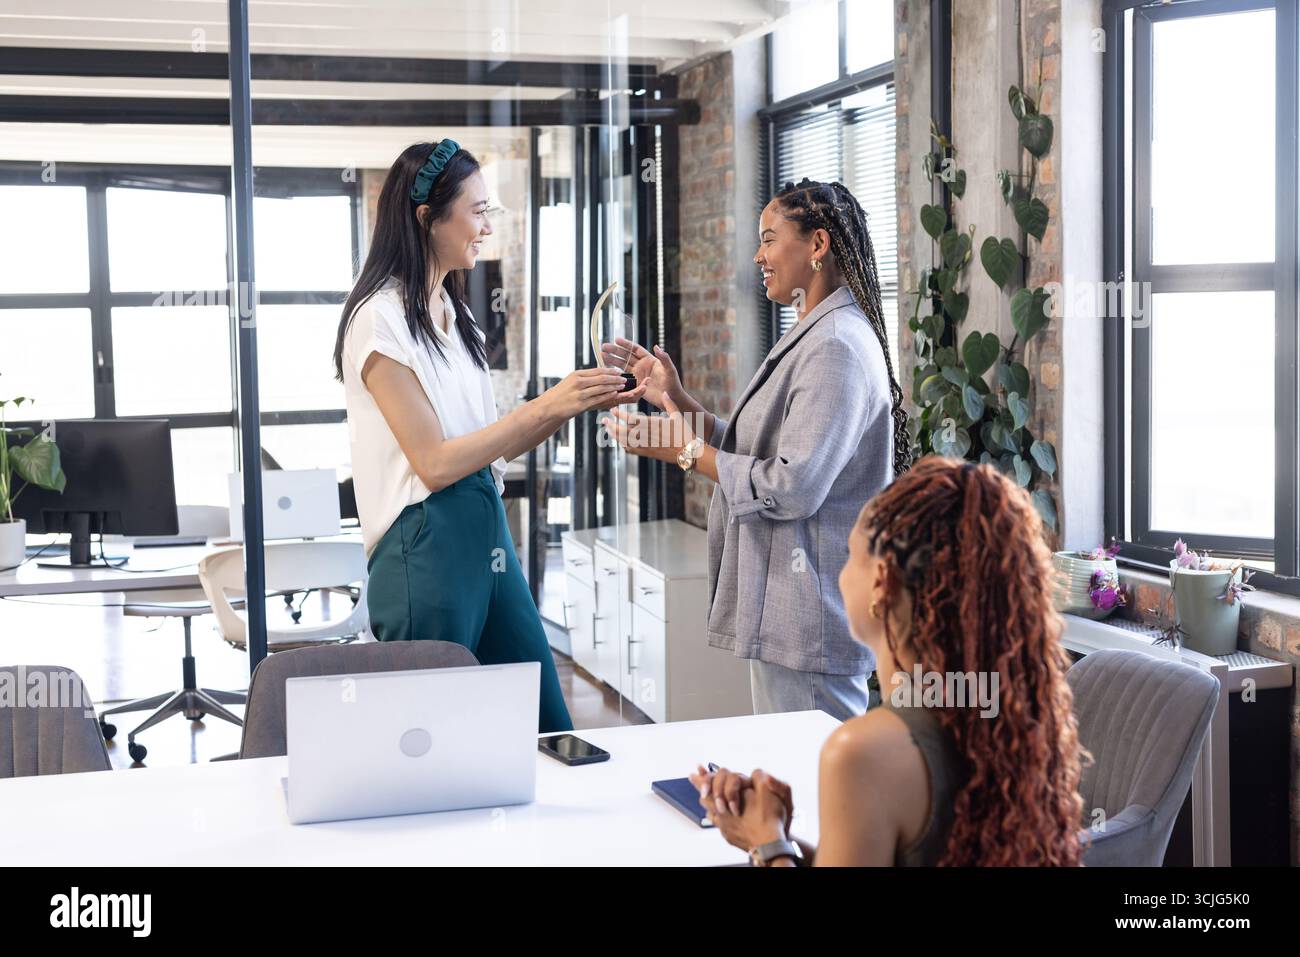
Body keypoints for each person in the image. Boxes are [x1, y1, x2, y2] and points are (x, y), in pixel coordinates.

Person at [332, 138, 642, 733]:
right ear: (427, 218)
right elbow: (434, 463)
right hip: (423, 550)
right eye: (477, 211)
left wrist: (576, 398)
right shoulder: (380, 320)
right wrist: (546, 403)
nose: (486, 227)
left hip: (486, 536)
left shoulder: (454, 314)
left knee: (548, 727)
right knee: (433, 745)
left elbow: (490, 445)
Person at [603, 177, 910, 721]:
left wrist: (686, 453)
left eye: (769, 239)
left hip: (810, 618)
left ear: (818, 245)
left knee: (813, 790)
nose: (758, 255)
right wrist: (672, 395)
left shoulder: (835, 346)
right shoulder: (815, 334)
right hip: (790, 615)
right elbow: (757, 451)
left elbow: (792, 486)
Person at [689, 457, 1087, 866]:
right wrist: (782, 838)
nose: (841, 574)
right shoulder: (1003, 712)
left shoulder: (862, 752)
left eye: (850, 555)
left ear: (882, 582)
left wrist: (765, 842)